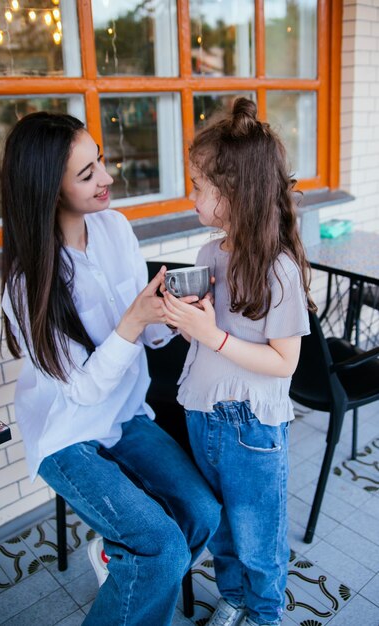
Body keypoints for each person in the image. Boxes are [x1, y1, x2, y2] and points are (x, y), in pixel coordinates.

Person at [0, 111, 221, 626]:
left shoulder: (115, 228)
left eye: (99, 159)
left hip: (125, 414)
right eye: (87, 173)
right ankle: (133, 570)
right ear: (48, 190)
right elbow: (80, 390)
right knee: (162, 549)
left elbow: (146, 331)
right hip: (68, 433)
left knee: (203, 514)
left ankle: (119, 562)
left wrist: (173, 316)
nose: (107, 177)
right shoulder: (27, 284)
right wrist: (132, 322)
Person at [163, 98, 316, 626]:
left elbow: (283, 364)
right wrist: (186, 325)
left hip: (251, 427)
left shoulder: (279, 270)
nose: (192, 194)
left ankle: (265, 614)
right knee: (224, 530)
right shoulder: (209, 256)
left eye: (199, 186)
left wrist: (212, 335)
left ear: (233, 196)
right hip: (203, 415)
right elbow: (211, 335)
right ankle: (233, 596)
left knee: (258, 537)